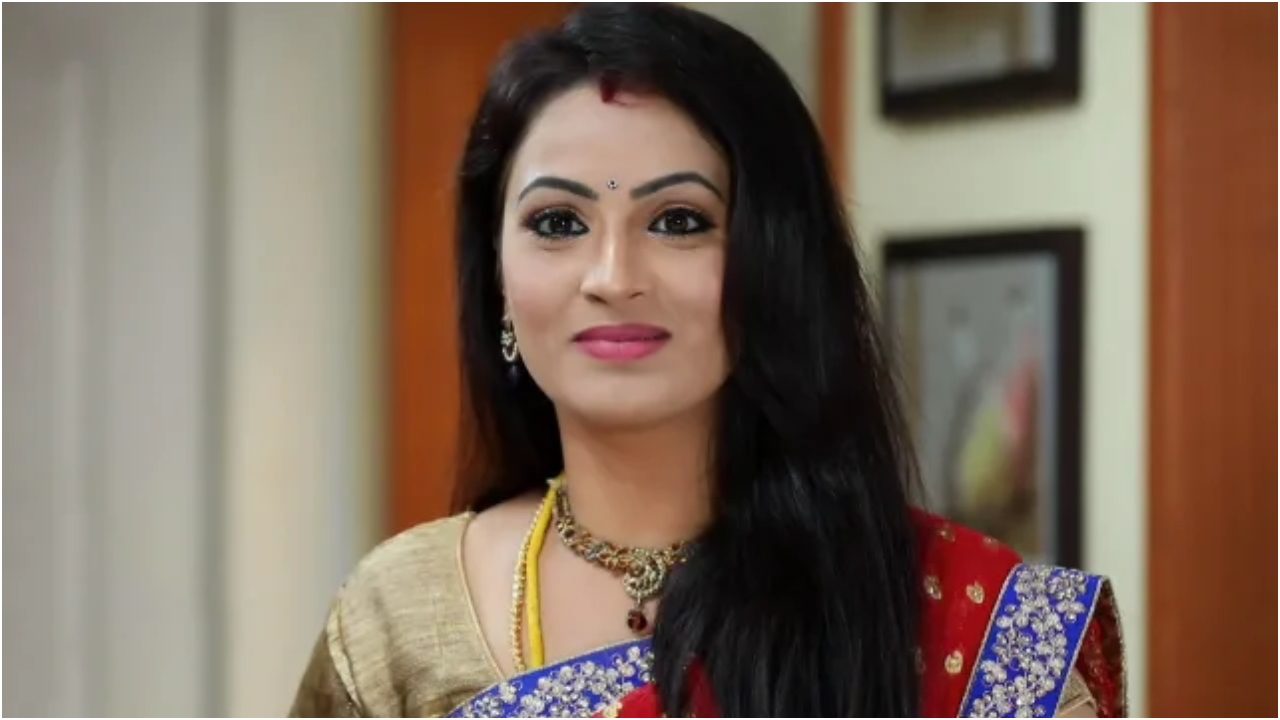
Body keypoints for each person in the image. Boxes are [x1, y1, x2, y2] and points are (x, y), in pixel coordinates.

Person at [287, 3, 1126, 717]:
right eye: (558, 223)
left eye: (679, 221)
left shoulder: (979, 638)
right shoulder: (399, 618)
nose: (613, 276)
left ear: (776, 265)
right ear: (497, 279)